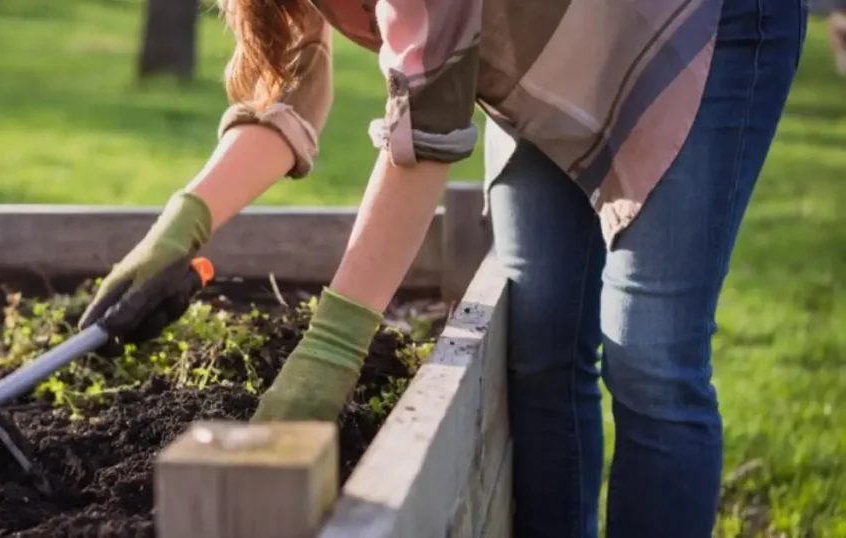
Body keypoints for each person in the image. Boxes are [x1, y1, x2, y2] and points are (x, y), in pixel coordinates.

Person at [77, 0, 805, 535]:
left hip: (696, 31)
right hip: (541, 61)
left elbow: (425, 135)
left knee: (651, 359)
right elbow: (293, 82)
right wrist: (183, 224)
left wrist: (329, 357)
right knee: (540, 350)